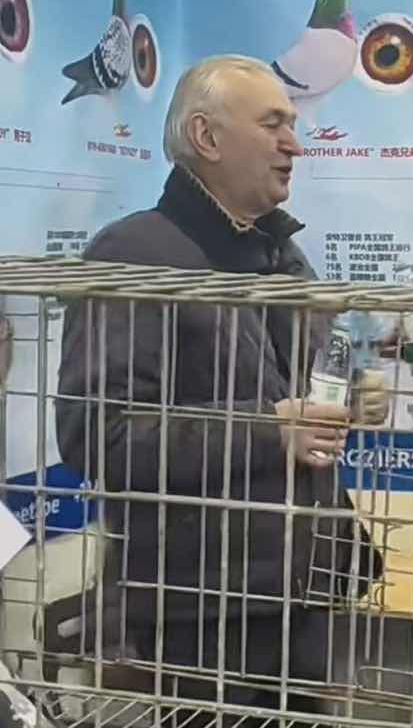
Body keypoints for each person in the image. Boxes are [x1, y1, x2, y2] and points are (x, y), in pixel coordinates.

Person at [55, 56, 385, 724]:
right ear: (206, 137)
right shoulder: (134, 257)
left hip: (304, 594)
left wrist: (346, 395)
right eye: (272, 124)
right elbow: (98, 435)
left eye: (292, 124)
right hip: (200, 613)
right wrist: (271, 428)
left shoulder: (281, 257)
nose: (294, 143)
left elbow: (289, 391)